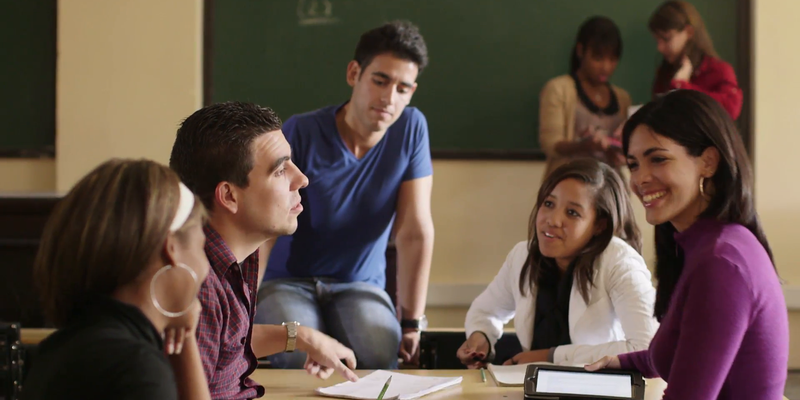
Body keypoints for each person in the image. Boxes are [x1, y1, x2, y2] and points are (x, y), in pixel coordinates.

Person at [255, 20, 435, 370]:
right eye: (380, 81)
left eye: (403, 88)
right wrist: (242, 303)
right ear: (354, 73)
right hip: (288, 282)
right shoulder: (302, 130)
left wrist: (412, 322)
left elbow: (415, 230)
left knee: (380, 351)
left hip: (359, 285)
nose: (389, 98)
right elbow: (265, 224)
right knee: (295, 353)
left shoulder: (412, 129)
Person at [586, 90, 789, 400]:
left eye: (658, 159)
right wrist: (620, 362)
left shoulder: (721, 263)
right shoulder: (706, 245)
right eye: (634, 164)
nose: (640, 179)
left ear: (708, 162)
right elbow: (683, 351)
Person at [169, 101, 359, 399]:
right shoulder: (198, 286)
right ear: (229, 196)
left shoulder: (232, 259)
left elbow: (224, 344)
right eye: (280, 170)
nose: (302, 179)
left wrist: (300, 337)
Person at [21, 159, 211, 400]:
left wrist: (184, 339)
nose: (206, 267)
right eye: (202, 247)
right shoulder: (136, 368)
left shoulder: (58, 350)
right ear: (171, 248)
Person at [457, 158, 658, 368]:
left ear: (599, 225)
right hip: (531, 387)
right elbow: (486, 312)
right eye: (548, 204)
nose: (552, 220)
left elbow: (648, 348)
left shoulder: (620, 261)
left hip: (598, 390)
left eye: (572, 213)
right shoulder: (522, 256)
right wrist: (481, 338)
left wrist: (551, 356)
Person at [539, 16, 631, 179]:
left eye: (612, 59)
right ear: (581, 51)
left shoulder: (622, 98)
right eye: (598, 57)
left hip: (610, 189)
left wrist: (620, 152)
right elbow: (551, 144)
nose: (606, 67)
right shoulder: (559, 89)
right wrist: (583, 146)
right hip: (569, 183)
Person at [649, 0, 742, 120]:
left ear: (688, 32)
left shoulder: (719, 70)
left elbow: (731, 109)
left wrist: (681, 87)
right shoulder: (665, 72)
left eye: (666, 39)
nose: (660, 48)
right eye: (657, 41)